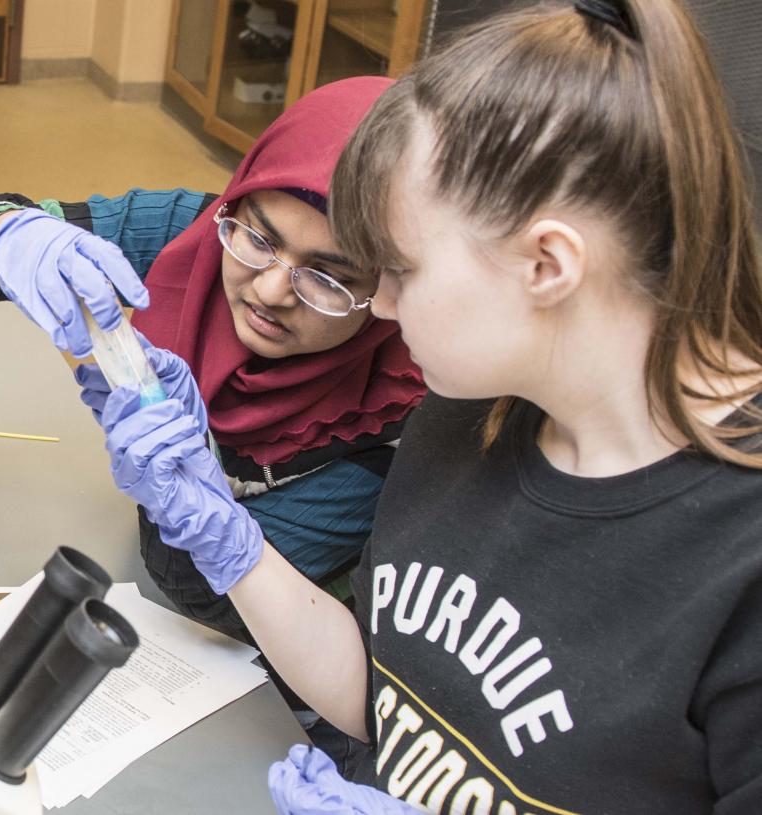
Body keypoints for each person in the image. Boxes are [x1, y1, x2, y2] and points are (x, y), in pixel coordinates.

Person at [87, 0, 762, 811]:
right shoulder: (467, 409)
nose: (379, 310)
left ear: (547, 263)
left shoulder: (735, 555)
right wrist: (228, 540)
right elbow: (389, 690)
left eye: (399, 270)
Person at [0, 77, 425, 638]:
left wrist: (182, 490)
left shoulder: (395, 422)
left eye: (328, 278)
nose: (269, 292)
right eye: (261, 240)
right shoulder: (201, 230)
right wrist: (5, 234)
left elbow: (211, 597)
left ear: (391, 289)